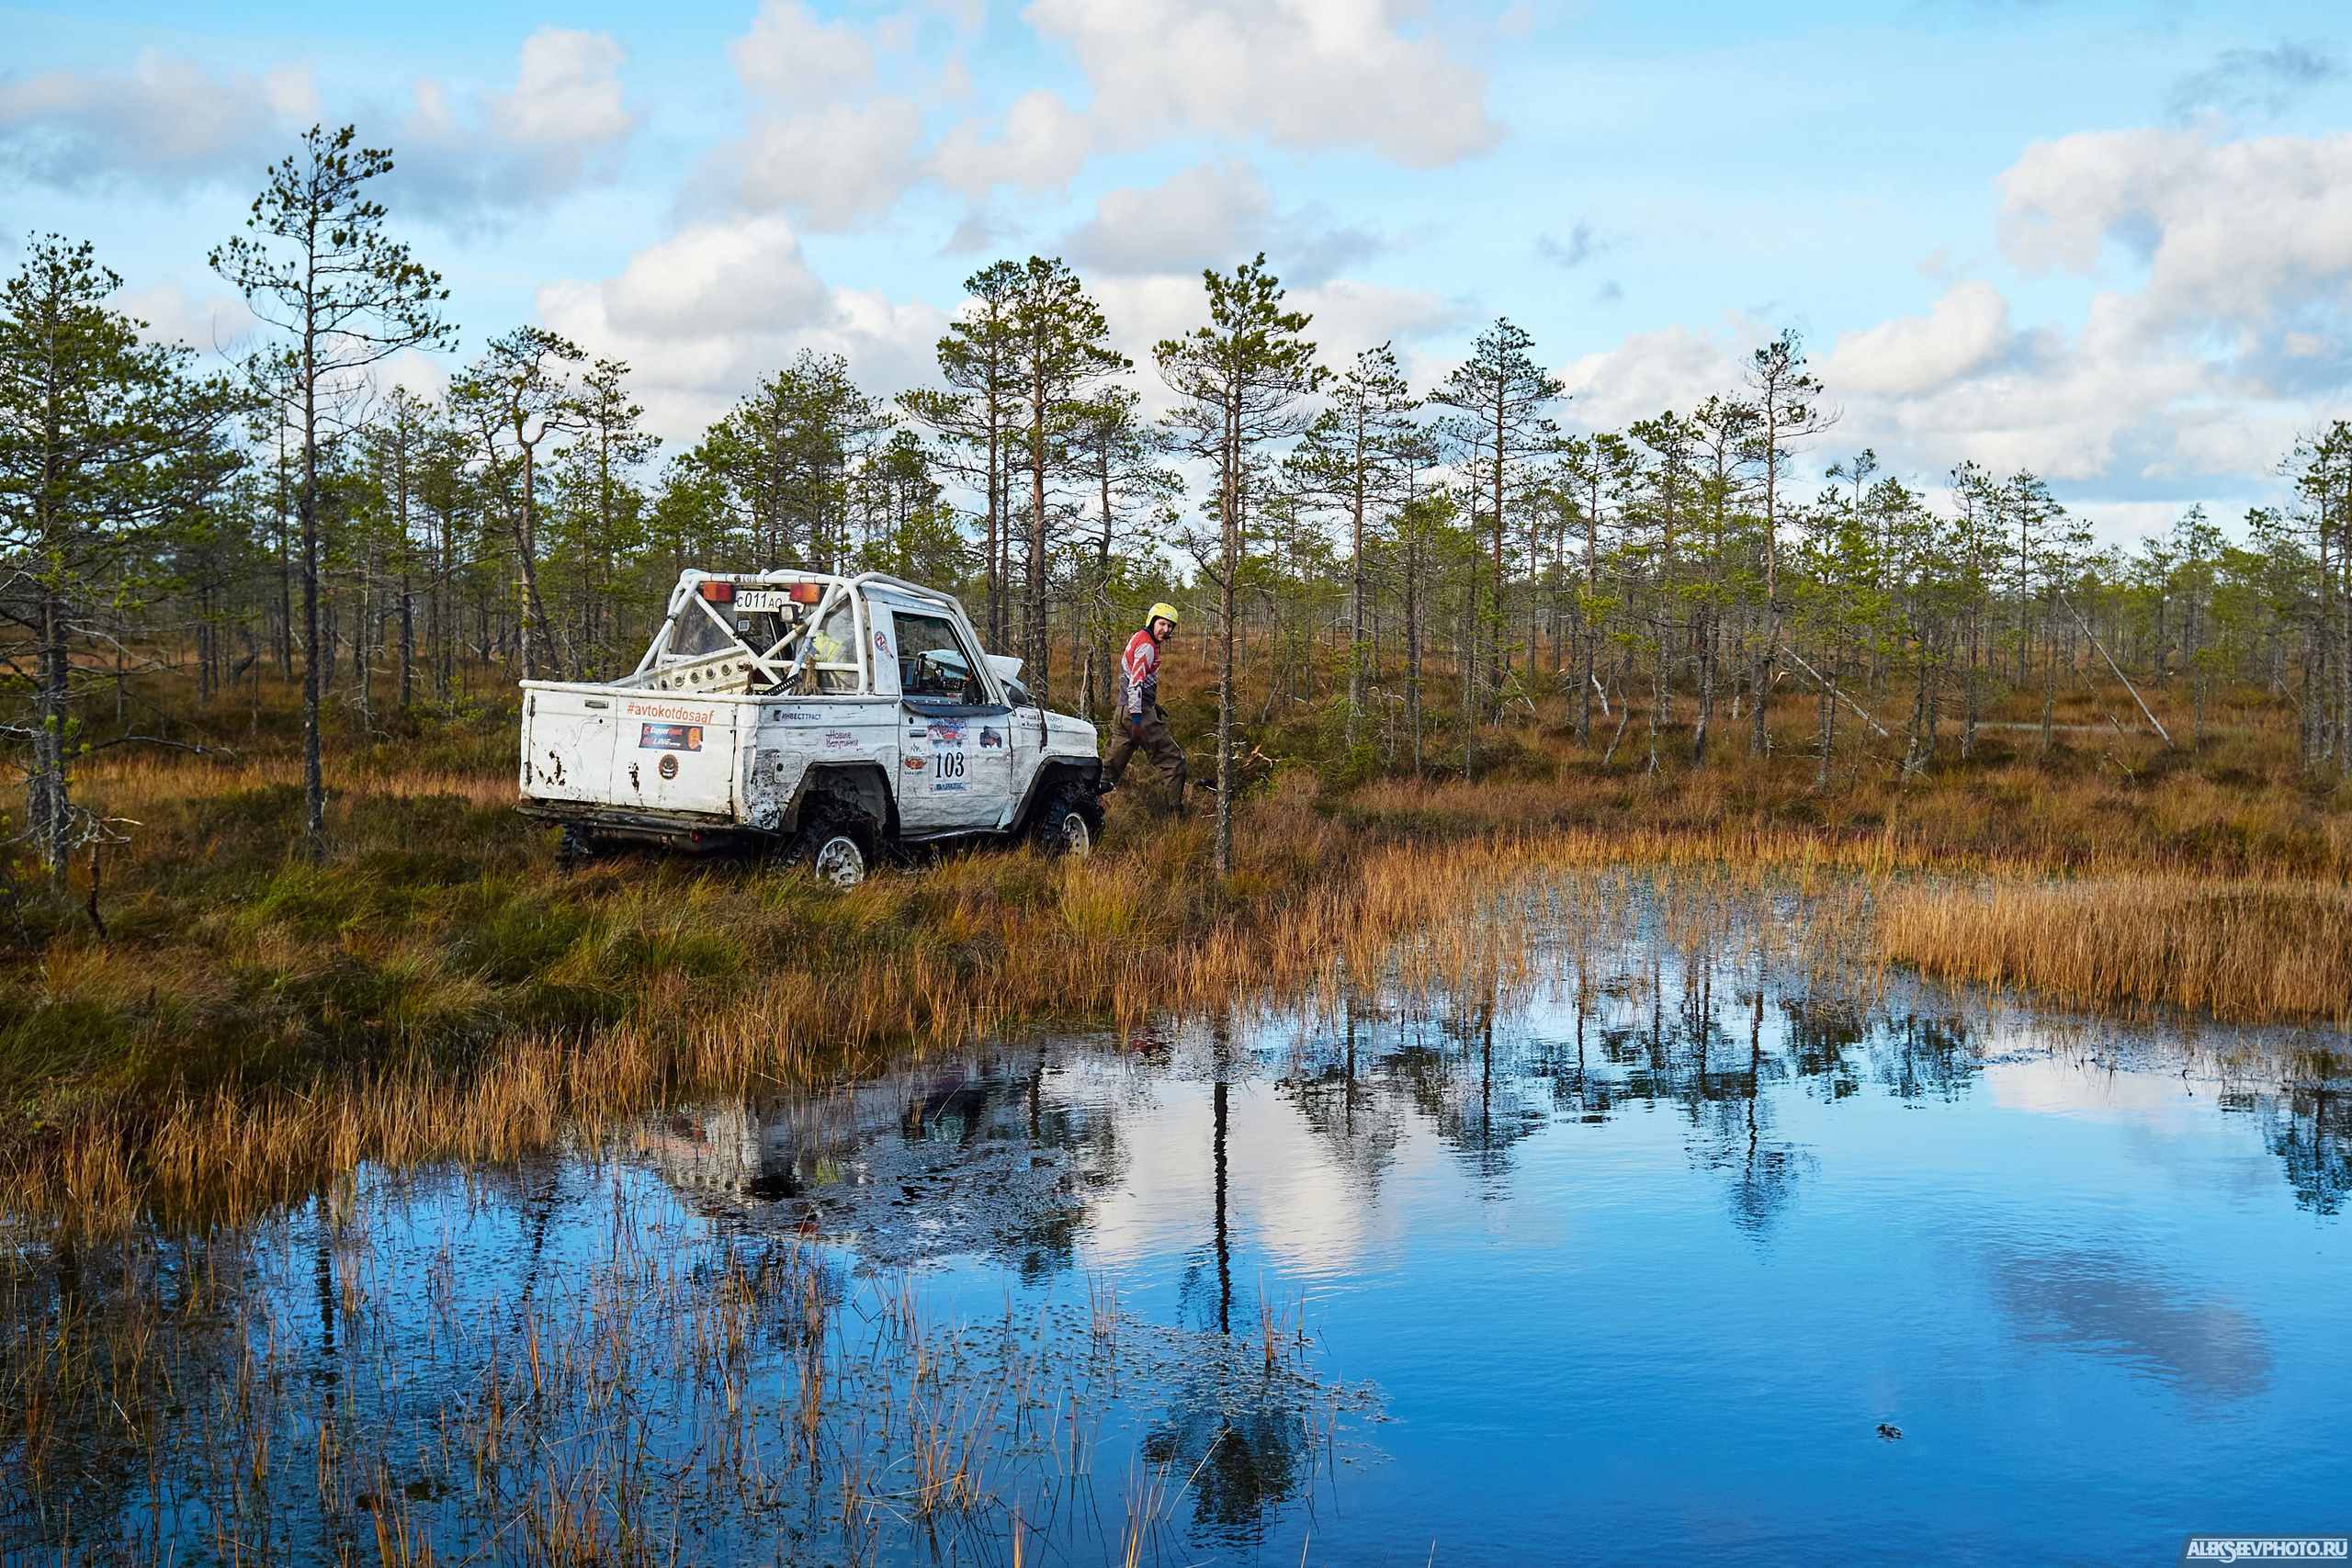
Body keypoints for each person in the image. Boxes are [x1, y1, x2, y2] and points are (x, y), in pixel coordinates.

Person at [1102, 603, 1187, 809]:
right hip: (1136, 713)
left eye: (1170, 626)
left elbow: (1132, 675)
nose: (1165, 630)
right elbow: (1136, 682)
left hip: (1122, 712)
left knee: (1109, 770)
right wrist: (1139, 717)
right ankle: (1175, 815)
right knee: (1175, 762)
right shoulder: (1147, 646)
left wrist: (1151, 703)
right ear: (1152, 621)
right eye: (1162, 624)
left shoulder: (1138, 637)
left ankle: (1083, 804)